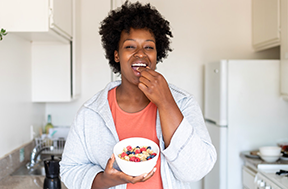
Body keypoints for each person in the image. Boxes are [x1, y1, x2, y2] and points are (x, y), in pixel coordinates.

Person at [60, 1, 217, 189]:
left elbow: (197, 169)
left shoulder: (183, 103)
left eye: (149, 47)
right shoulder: (91, 112)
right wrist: (106, 180)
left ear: (157, 54)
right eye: (130, 47)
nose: (140, 54)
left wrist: (166, 101)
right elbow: (70, 170)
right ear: (116, 55)